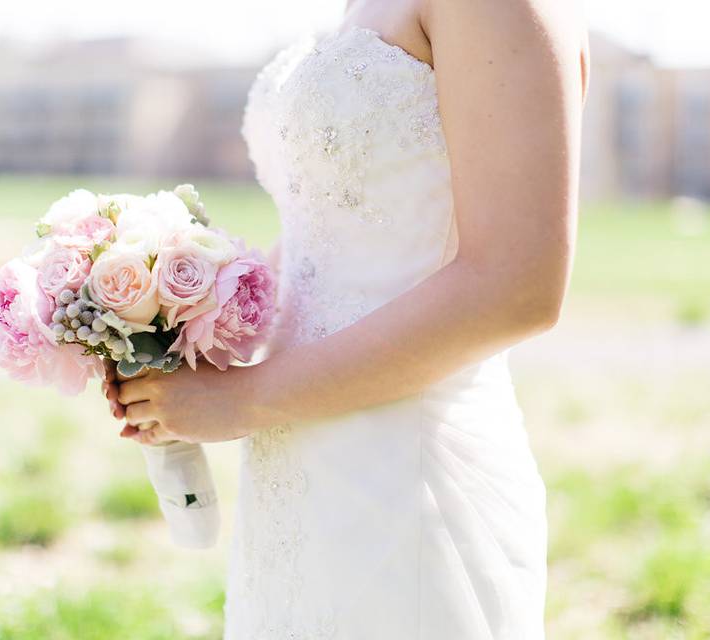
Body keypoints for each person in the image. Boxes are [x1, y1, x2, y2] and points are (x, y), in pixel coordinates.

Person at [103, 0, 591, 636]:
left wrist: (245, 401)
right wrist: (195, 333)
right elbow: (325, 234)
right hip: (297, 456)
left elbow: (517, 287)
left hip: (405, 472)